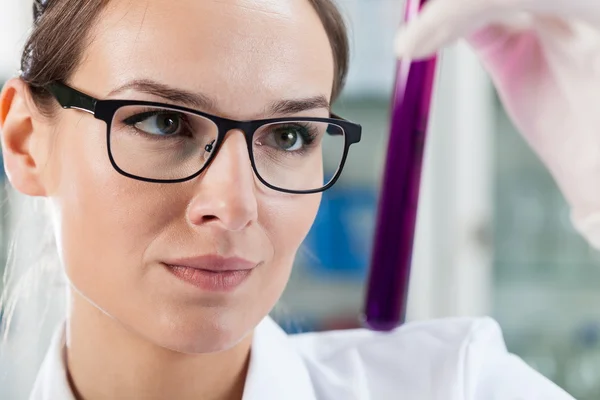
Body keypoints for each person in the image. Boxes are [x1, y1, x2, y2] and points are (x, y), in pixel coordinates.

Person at [0, 0, 581, 399]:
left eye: (289, 135)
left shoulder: (455, 385)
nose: (234, 205)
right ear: (27, 142)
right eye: (163, 122)